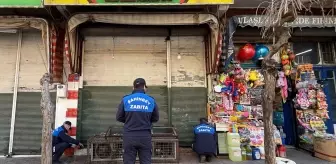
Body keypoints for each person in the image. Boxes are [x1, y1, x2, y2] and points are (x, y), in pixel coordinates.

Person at [116, 78, 159, 164]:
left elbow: (119, 117)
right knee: (146, 161)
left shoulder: (125, 100)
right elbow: (155, 118)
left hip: (129, 136)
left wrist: (129, 120)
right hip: (145, 136)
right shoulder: (151, 100)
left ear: (133, 87)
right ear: (144, 88)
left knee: (128, 161)